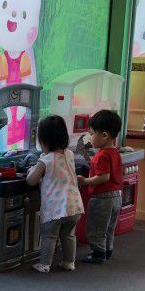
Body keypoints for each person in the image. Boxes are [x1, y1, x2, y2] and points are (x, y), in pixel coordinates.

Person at [26, 115, 84, 273]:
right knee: (69, 235)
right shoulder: (69, 154)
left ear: (44, 141)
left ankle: (45, 264)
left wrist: (31, 170)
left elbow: (31, 180)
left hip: (55, 209)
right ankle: (69, 262)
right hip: (74, 207)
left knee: (49, 236)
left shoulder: (46, 161)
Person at [77, 110, 124, 264]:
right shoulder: (114, 151)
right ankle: (107, 250)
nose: (90, 138)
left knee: (96, 227)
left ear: (104, 135)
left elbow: (104, 177)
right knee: (109, 227)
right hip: (116, 196)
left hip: (103, 198)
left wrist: (85, 181)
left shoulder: (102, 155)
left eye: (92, 134)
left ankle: (98, 254)